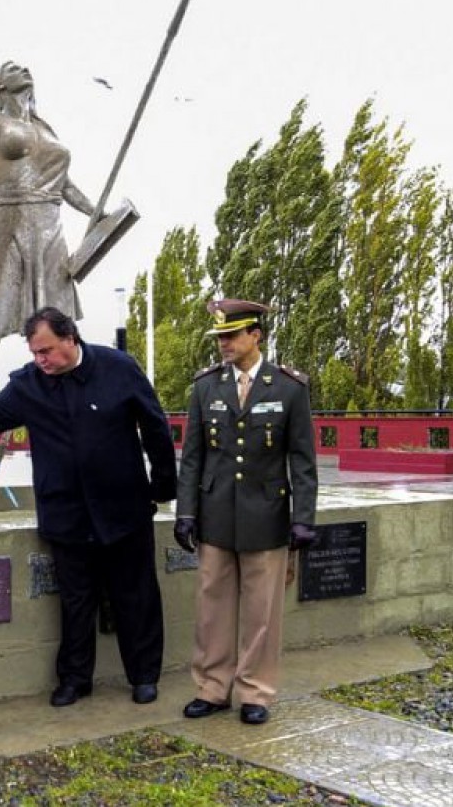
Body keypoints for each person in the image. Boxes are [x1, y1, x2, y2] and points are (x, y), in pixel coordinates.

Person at [0, 307, 176, 707]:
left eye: (46, 351)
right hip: (66, 514)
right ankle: (74, 679)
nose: (41, 360)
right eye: (35, 353)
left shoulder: (119, 368)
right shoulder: (28, 384)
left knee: (135, 597)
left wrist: (162, 486)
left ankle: (143, 675)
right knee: (75, 602)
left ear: (70, 339)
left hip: (124, 509)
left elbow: (155, 426)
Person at [0, 0, 98, 397]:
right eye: (11, 68)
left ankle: (71, 392)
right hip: (9, 224)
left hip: (49, 229)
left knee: (60, 323)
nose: (22, 67)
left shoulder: (47, 130)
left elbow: (64, 184)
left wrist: (96, 213)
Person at [174, 299, 316, 726]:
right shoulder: (205, 387)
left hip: (267, 514)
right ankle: (213, 688)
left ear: (256, 334)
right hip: (216, 515)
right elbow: (193, 458)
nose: (224, 344)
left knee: (262, 611)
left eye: (232, 335)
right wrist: (186, 513)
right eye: (219, 336)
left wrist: (303, 518)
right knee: (211, 607)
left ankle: (255, 691)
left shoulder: (288, 388)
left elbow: (302, 461)